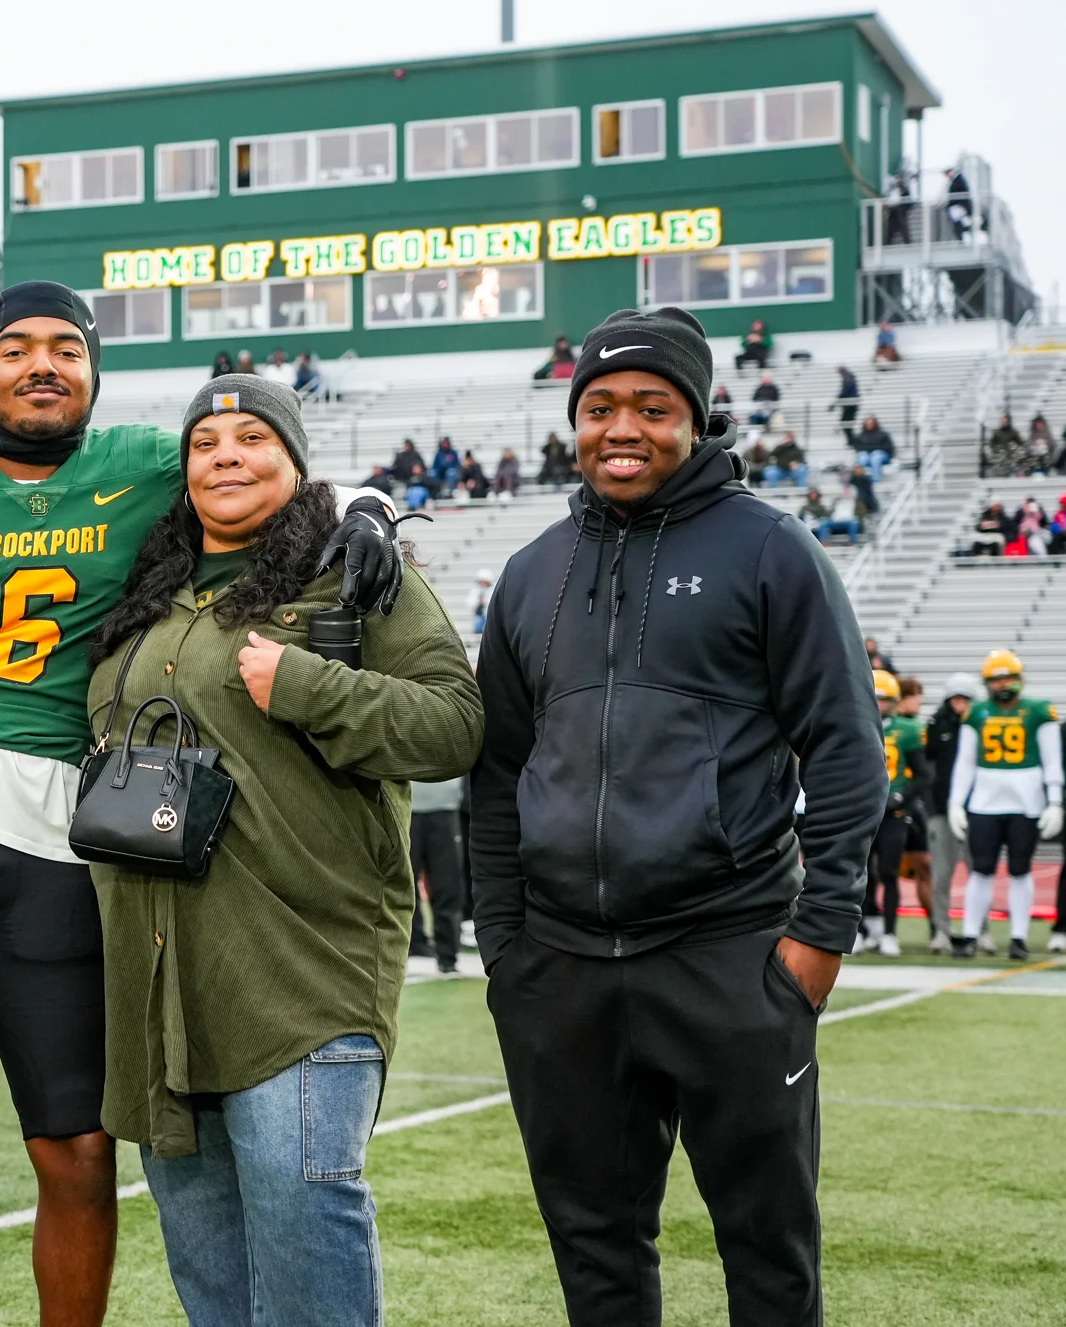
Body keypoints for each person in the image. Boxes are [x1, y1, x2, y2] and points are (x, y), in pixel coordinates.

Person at [0, 288, 402, 1327]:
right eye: (15, 348)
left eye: (64, 349)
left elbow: (272, 480)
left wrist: (368, 503)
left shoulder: (141, 466)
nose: (40, 365)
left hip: (64, 844)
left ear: (94, 371)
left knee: (81, 1148)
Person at [473, 305, 883, 1326]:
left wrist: (816, 938)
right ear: (575, 420)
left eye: (653, 407)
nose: (623, 427)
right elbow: (496, 771)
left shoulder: (772, 549)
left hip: (729, 951)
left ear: (694, 419)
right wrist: (506, 945)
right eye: (600, 406)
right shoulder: (531, 572)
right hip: (561, 967)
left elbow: (847, 749)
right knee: (596, 1249)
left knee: (769, 1249)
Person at [83, 374, 482, 1327]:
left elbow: (455, 725)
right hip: (160, 988)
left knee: (306, 1251)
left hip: (301, 974)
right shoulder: (153, 596)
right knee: (211, 1282)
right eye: (205, 444)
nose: (227, 455)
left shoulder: (354, 573)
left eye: (254, 437)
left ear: (298, 461)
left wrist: (305, 684)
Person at [947, 651, 1061, 961]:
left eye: (1008, 677)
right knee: (981, 868)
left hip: (1027, 799)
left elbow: (1052, 759)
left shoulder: (1039, 711)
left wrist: (1055, 800)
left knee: (1020, 869)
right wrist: (956, 801)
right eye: (997, 679)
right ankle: (971, 934)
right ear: (988, 683)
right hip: (985, 799)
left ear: (1020, 679)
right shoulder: (977, 712)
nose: (1003, 684)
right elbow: (965, 763)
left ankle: (1018, 937)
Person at [858, 671, 928, 957]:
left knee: (888, 872)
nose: (880, 704)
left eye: (884, 699)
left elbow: (923, 775)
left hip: (894, 811)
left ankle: (889, 933)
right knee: (861, 873)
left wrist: (900, 797)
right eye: (876, 698)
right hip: (863, 810)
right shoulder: (855, 723)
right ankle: (863, 930)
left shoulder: (907, 730)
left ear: (895, 701)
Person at [410, 778, 470, 974]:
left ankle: (448, 957)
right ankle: (409, 946)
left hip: (445, 806)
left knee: (448, 884)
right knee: (400, 886)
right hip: (405, 806)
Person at [894, 675, 936, 939]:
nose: (919, 702)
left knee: (923, 866)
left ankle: (935, 926)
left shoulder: (912, 727)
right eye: (916, 696)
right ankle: (877, 926)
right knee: (882, 870)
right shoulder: (890, 726)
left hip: (912, 804)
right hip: (893, 803)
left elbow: (922, 772)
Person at [854, 414, 896, 482]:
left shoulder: (883, 434)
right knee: (862, 457)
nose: (869, 425)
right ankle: (861, 481)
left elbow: (889, 447)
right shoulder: (861, 436)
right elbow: (858, 448)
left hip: (880, 455)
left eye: (871, 423)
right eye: (868, 423)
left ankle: (876, 480)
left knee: (875, 457)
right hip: (867, 456)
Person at [833, 365, 860, 444]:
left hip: (850, 405)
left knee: (846, 423)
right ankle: (851, 440)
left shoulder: (848, 377)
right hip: (849, 404)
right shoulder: (848, 377)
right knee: (846, 423)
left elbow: (845, 391)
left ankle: (852, 440)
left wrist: (837, 400)